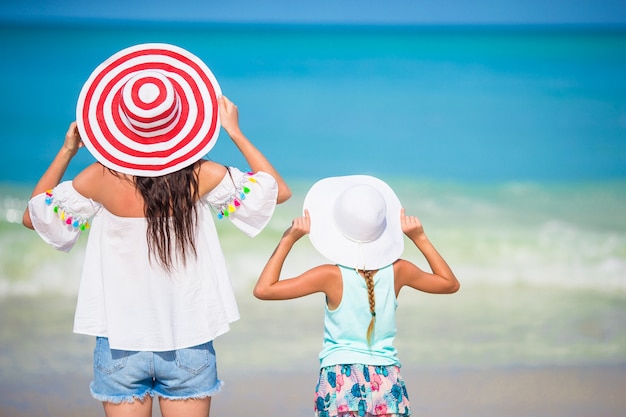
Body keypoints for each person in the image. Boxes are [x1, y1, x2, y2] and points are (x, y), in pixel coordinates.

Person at [22, 43, 291, 417]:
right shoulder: (201, 176)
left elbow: (34, 216)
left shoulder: (99, 178)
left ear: (121, 124)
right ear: (182, 123)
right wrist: (234, 131)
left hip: (119, 344)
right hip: (188, 341)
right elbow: (278, 191)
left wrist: (67, 151)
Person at [254, 175, 459, 417]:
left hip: (340, 380)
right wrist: (419, 238)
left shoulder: (329, 276)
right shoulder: (399, 270)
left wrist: (288, 239)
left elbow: (263, 289)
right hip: (387, 380)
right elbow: (449, 284)